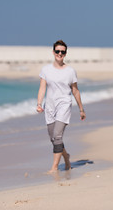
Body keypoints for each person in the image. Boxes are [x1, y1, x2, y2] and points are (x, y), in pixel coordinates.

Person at [37, 40, 86, 173]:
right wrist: (39, 104)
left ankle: (54, 168)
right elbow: (42, 88)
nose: (60, 54)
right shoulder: (46, 70)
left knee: (57, 136)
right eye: (57, 51)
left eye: (62, 52)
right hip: (50, 106)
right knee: (53, 138)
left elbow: (75, 91)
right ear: (53, 52)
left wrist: (81, 109)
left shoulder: (70, 71)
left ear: (65, 54)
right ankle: (66, 157)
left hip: (64, 105)